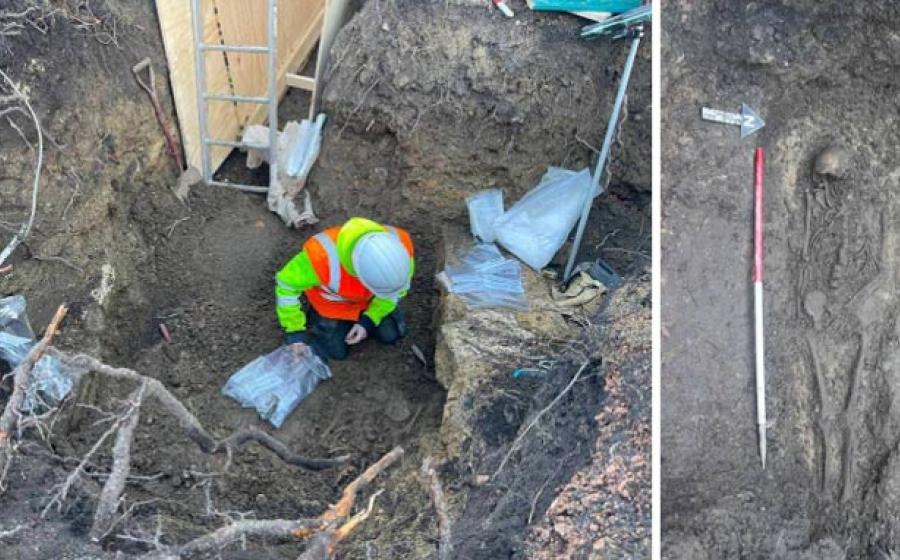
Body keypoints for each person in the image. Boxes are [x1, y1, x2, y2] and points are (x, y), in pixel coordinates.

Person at [275, 217, 414, 361]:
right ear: (358, 274)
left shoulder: (400, 248)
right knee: (337, 353)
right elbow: (286, 286)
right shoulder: (320, 257)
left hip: (369, 302)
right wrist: (295, 332)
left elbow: (395, 293)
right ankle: (316, 317)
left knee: (390, 335)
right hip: (331, 306)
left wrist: (369, 320)